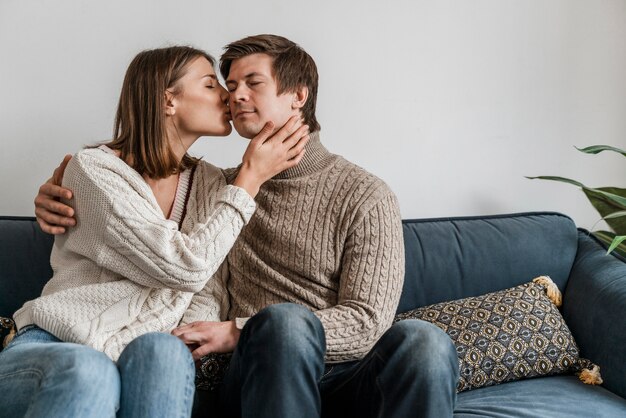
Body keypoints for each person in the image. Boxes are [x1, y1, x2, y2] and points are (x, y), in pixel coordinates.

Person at [34, 35, 460, 418]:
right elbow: (152, 206)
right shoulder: (225, 188)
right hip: (257, 374)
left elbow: (367, 321)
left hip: (347, 374)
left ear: (298, 95)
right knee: (283, 325)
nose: (233, 96)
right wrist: (58, 195)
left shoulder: (366, 195)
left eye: (251, 83)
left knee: (426, 342)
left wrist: (239, 329)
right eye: (228, 85)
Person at [2, 45, 308, 418]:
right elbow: (185, 268)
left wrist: (180, 338)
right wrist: (249, 181)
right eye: (212, 85)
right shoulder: (93, 170)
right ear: (168, 100)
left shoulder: (211, 183)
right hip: (57, 342)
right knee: (89, 371)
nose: (228, 96)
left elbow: (207, 288)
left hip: (145, 348)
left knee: (164, 353)